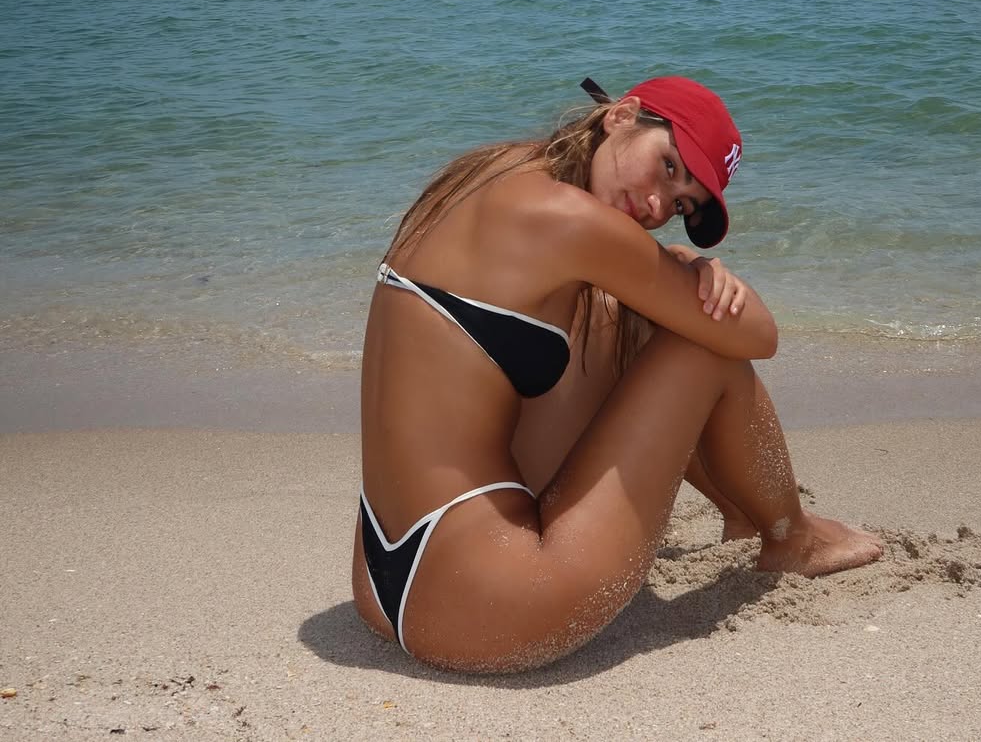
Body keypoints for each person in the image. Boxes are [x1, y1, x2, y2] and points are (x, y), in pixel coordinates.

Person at [352, 75, 882, 672]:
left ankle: (738, 509)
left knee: (618, 314)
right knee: (703, 346)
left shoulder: (492, 172)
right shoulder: (569, 219)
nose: (659, 205)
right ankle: (793, 536)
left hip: (384, 580)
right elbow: (759, 333)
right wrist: (688, 263)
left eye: (680, 205)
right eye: (669, 167)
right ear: (621, 116)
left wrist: (666, 277)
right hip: (498, 607)